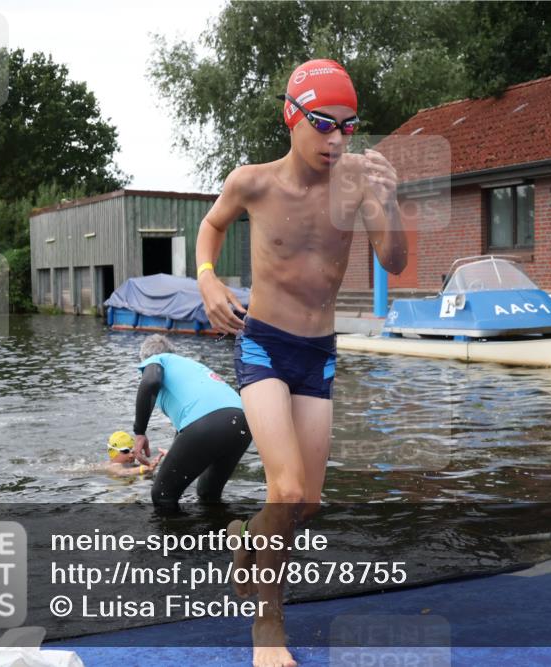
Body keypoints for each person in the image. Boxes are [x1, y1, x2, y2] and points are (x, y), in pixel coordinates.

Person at [196, 59, 407, 667]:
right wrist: (208, 281)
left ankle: (244, 540)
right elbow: (210, 228)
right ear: (293, 117)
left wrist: (388, 205)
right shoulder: (253, 183)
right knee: (284, 489)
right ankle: (268, 633)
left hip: (317, 354)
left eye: (348, 126)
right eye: (324, 124)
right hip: (262, 342)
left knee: (305, 504)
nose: (338, 140)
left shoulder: (356, 186)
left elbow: (393, 261)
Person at [130, 334, 251, 508]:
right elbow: (193, 418)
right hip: (243, 422)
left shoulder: (158, 359)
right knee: (208, 494)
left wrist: (139, 432)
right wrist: (175, 453)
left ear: (144, 359)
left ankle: (178, 536)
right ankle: (223, 532)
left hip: (210, 423)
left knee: (163, 496)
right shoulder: (192, 367)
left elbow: (150, 381)